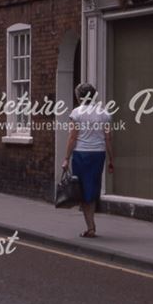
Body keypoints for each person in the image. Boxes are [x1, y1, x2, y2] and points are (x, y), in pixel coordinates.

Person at [62, 83, 114, 238]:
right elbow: (108, 138)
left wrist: (66, 158)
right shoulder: (104, 113)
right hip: (98, 155)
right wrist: (111, 159)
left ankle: (91, 227)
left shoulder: (76, 113)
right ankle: (91, 226)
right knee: (92, 188)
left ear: (80, 96)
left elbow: (72, 137)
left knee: (82, 190)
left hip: (81, 155)